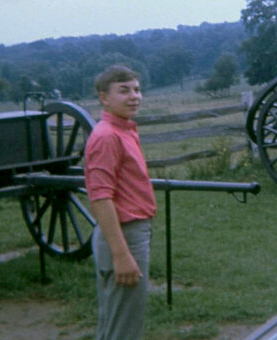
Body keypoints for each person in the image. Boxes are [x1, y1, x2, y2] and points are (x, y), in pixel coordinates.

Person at [85, 65, 157, 340]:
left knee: (116, 323)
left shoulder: (123, 130)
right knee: (124, 330)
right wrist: (121, 254)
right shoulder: (107, 136)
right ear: (104, 98)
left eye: (137, 90)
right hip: (123, 235)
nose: (134, 96)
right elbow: (101, 197)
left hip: (131, 232)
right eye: (124, 90)